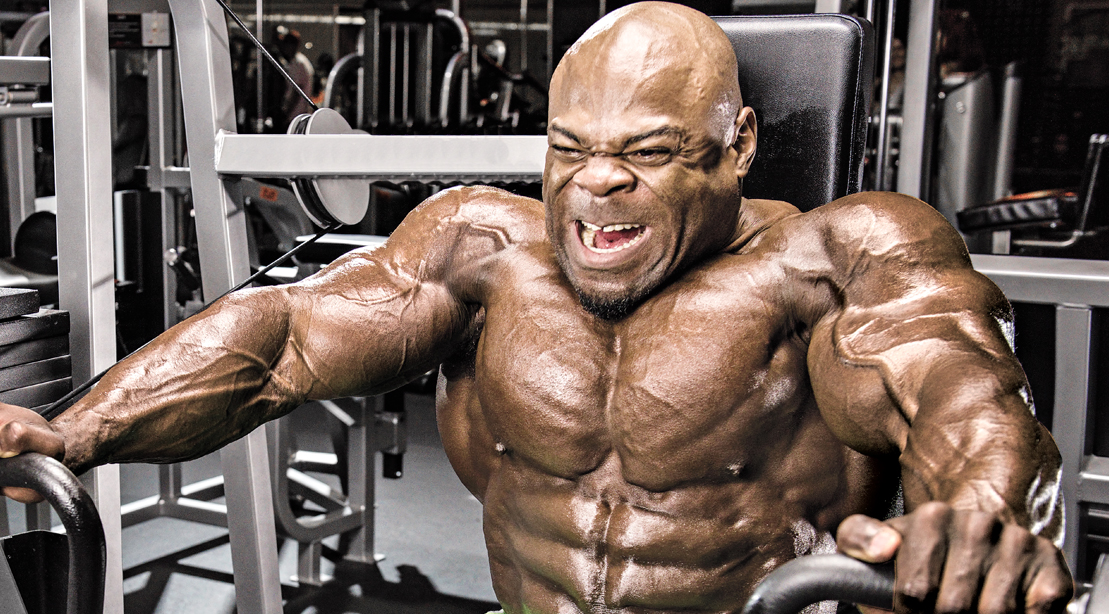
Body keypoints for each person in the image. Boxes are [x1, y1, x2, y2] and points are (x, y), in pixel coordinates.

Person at [0, 3, 1072, 613]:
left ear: (737, 144)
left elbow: (956, 389)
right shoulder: (483, 248)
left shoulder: (834, 257)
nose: (596, 184)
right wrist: (75, 430)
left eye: (647, 151)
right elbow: (283, 338)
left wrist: (982, 516)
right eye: (570, 149)